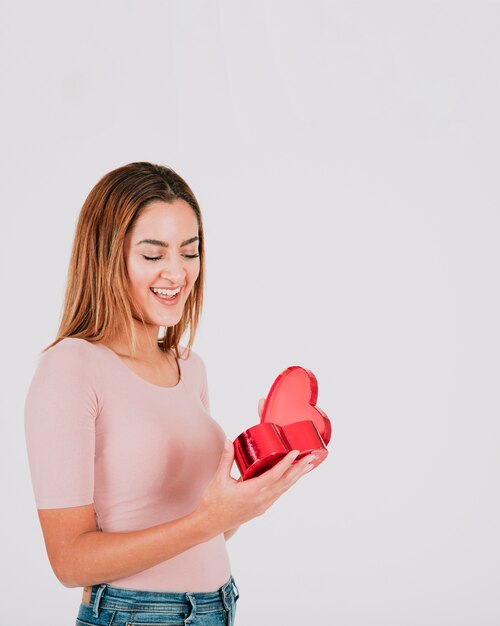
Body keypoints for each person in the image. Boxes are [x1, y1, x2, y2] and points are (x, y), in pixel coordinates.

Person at [24, 162, 315, 626]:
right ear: (107, 256)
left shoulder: (189, 366)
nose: (177, 272)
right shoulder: (71, 367)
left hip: (217, 608)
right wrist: (207, 520)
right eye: (153, 254)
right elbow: (69, 562)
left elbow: (199, 526)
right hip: (133, 615)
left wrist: (251, 496)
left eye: (190, 251)